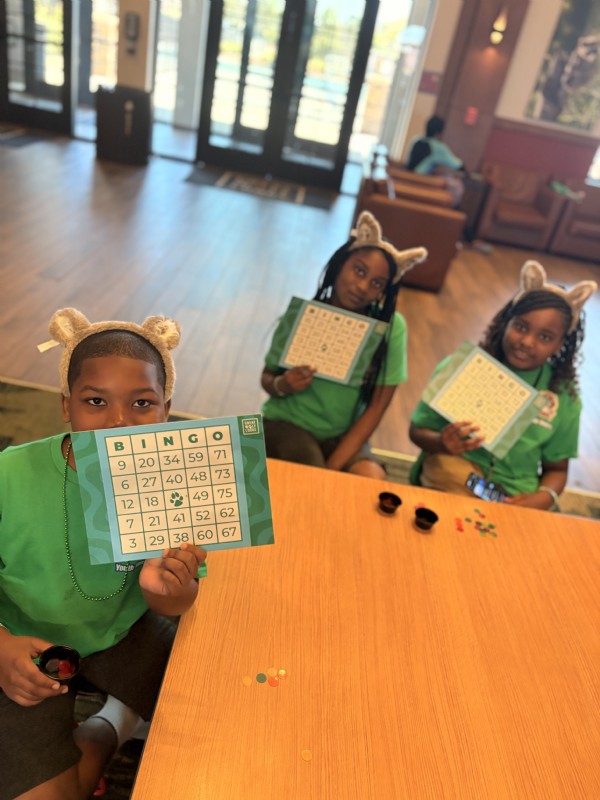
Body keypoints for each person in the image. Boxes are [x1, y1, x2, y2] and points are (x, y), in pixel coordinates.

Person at [0, 308, 206, 800]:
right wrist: (1, 646)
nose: (118, 422)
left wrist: (167, 593)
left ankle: (114, 717)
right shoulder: (9, 476)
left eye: (142, 403)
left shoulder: (176, 478)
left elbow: (179, 601)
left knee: (223, 708)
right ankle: (117, 721)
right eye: (96, 401)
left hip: (125, 631)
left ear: (166, 410)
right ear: (66, 405)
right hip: (24, 642)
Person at [409, 261, 597, 510]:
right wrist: (442, 443)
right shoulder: (460, 367)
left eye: (545, 337)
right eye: (520, 327)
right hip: (455, 469)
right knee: (450, 489)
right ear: (505, 323)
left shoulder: (564, 397)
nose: (527, 342)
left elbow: (557, 469)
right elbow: (417, 431)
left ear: (561, 344)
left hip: (517, 492)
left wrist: (543, 498)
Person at [261, 211, 427, 480]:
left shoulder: (391, 328)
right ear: (339, 265)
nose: (362, 286)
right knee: (312, 476)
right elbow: (267, 377)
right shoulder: (302, 315)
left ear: (384, 291)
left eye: (376, 283)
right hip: (285, 423)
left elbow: (377, 407)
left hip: (342, 435)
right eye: (359, 270)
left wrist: (333, 467)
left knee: (371, 478)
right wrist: (283, 385)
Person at [405, 115, 465, 206]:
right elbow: (458, 165)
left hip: (407, 178)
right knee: (457, 185)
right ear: (439, 132)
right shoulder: (437, 146)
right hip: (421, 182)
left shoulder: (416, 140)